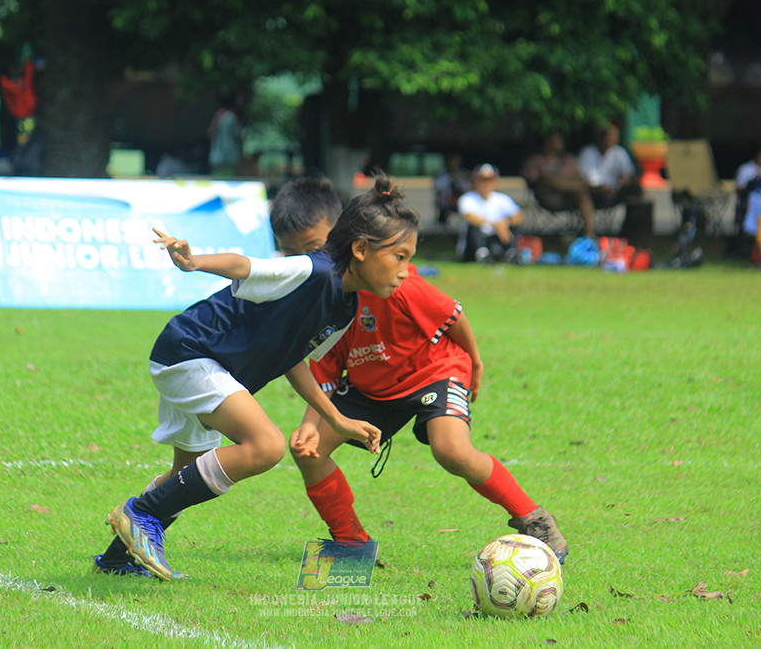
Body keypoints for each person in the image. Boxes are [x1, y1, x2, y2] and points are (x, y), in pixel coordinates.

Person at [96, 176, 419, 580]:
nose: (407, 271)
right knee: (266, 446)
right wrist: (195, 262)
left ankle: (115, 560)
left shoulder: (345, 308)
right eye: (401, 257)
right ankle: (141, 513)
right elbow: (246, 265)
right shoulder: (314, 271)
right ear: (360, 249)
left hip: (202, 363)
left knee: (183, 477)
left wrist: (335, 419)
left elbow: (292, 358)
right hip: (192, 353)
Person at [286, 207, 569, 564]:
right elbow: (324, 372)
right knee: (307, 450)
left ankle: (534, 518)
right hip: (369, 384)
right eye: (294, 253)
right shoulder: (323, 300)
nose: (308, 260)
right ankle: (351, 543)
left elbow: (453, 315)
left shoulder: (400, 285)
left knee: (452, 451)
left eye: (314, 247)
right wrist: (309, 425)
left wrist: (476, 362)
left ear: (347, 244)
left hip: (433, 369)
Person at [521, 130, 599, 237]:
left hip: (569, 197)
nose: (558, 143)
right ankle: (581, 187)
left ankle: (590, 234)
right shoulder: (536, 160)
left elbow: (579, 176)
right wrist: (556, 180)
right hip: (548, 198)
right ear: (546, 142)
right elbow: (531, 179)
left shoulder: (569, 159)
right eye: (555, 140)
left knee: (582, 194)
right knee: (548, 179)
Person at [456, 163, 524, 263]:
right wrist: (496, 225)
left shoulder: (502, 198)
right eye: (482, 180)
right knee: (474, 228)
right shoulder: (467, 198)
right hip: (476, 242)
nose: (485, 184)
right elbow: (470, 217)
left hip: (496, 237)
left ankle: (512, 253)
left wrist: (505, 224)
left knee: (514, 226)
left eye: (489, 180)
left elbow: (518, 215)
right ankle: (482, 254)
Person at [577, 122, 642, 210]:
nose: (612, 138)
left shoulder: (619, 152)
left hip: (614, 191)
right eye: (609, 135)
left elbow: (629, 173)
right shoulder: (587, 152)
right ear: (601, 136)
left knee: (635, 189)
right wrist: (602, 189)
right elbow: (584, 179)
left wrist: (627, 179)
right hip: (594, 192)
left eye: (615, 135)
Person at [207, 90, 245, 177]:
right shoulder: (229, 117)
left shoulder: (219, 114)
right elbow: (236, 134)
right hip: (227, 158)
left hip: (217, 158)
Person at [433, 153, 470, 227]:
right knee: (442, 223)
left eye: (456, 161)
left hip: (459, 203)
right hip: (445, 204)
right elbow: (437, 187)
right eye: (452, 161)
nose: (454, 163)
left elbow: (467, 188)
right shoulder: (441, 174)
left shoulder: (463, 173)